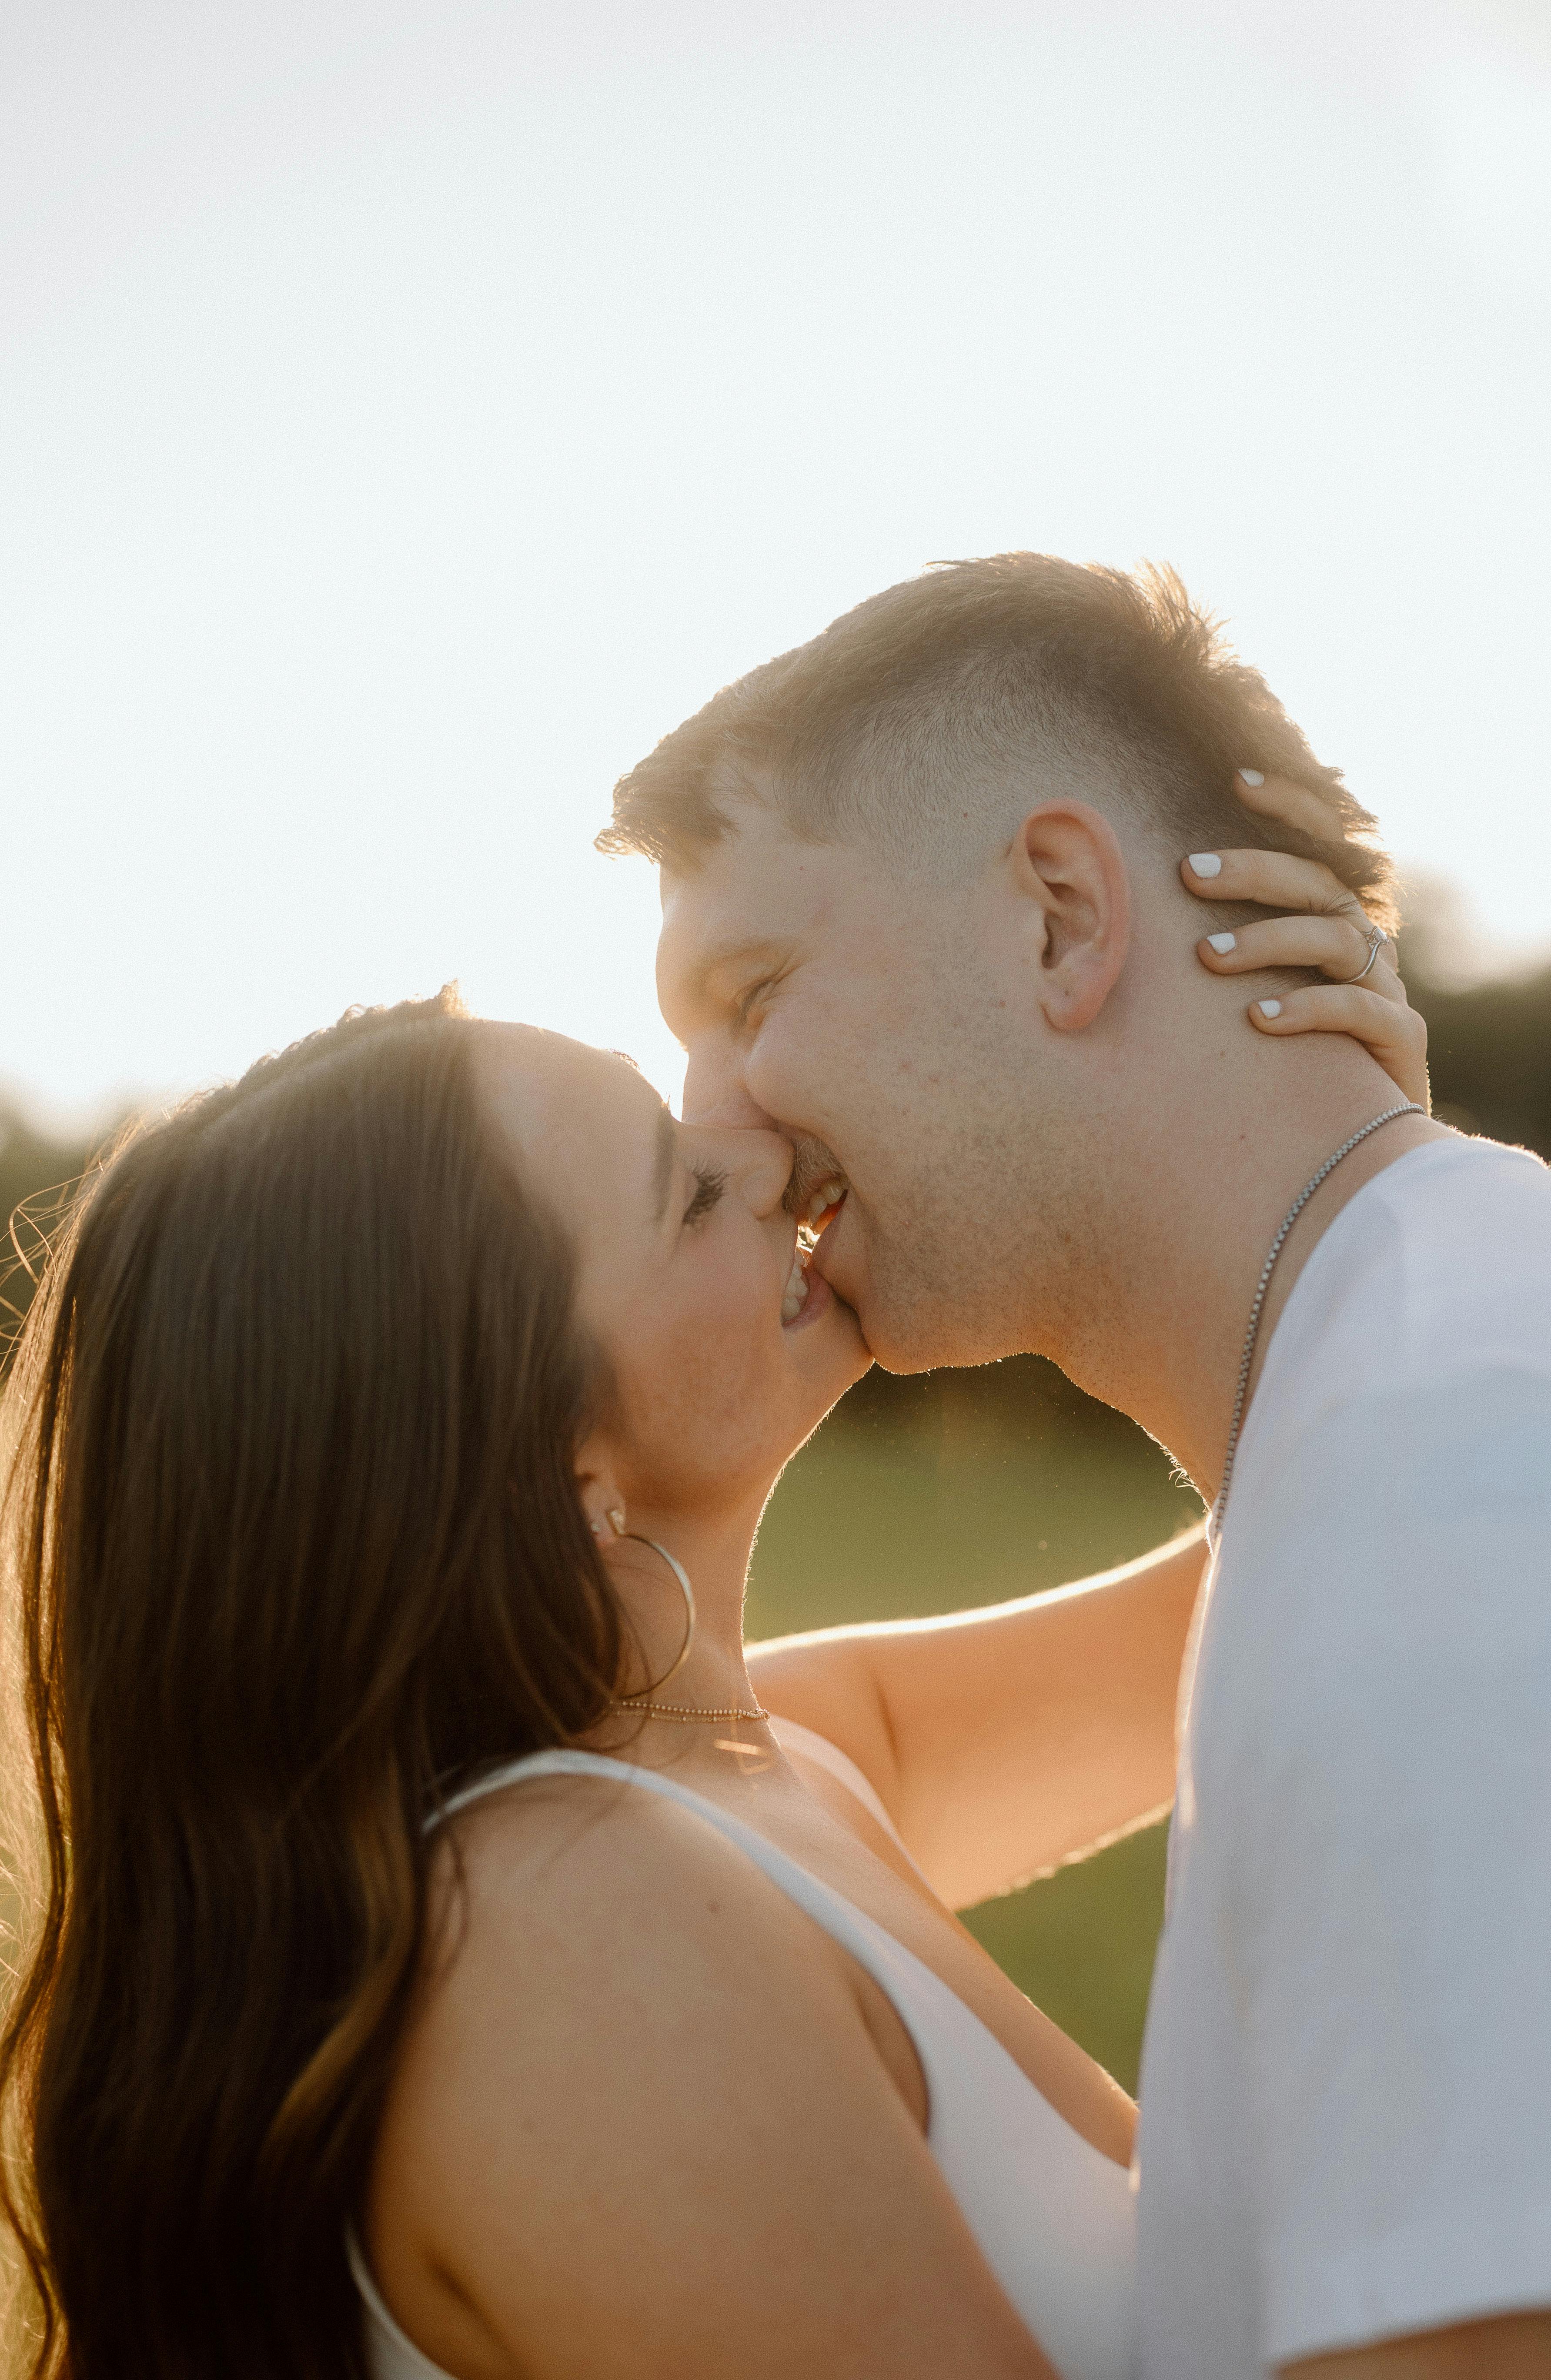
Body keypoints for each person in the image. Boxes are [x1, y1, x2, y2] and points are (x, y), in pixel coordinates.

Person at [0, 857, 1413, 2380]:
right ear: (556, 1472)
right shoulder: (562, 1930)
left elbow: (1332, 1536)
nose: (764, 1153)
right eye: (685, 1188)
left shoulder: (772, 1760)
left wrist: (1337, 1156)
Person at [602, 553, 1551, 2378]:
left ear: (1058, 914)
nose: (719, 1118)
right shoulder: (1409, 1417)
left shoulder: (1441, 1476)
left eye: (750, 990)